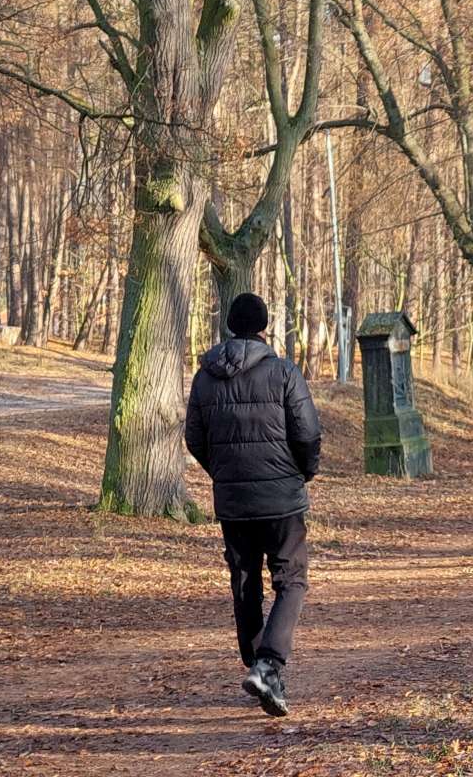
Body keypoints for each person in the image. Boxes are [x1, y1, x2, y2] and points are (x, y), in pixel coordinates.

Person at [184, 292, 321, 717]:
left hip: (234, 499)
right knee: (291, 580)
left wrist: (225, 473)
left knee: (245, 579)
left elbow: (195, 438)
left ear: (230, 325)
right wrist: (303, 471)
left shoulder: (205, 376)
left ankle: (257, 663)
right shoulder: (282, 372)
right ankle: (268, 663)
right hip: (281, 498)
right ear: (264, 327)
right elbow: (308, 433)